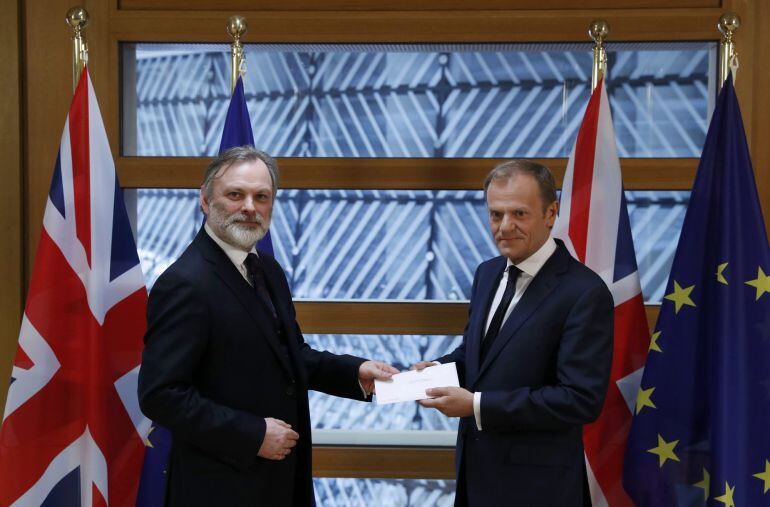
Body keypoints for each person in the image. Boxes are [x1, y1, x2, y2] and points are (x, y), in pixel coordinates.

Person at [138, 146, 398, 507]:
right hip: (219, 489)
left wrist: (354, 372)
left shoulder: (268, 271)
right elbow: (161, 395)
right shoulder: (185, 283)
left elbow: (289, 357)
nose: (249, 206)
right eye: (235, 194)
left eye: (261, 196)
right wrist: (252, 434)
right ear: (204, 200)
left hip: (280, 482)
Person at [413, 160, 613, 507]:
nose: (505, 227)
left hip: (538, 490)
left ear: (551, 213)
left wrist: (476, 405)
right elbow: (480, 357)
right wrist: (439, 370)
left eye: (519, 214)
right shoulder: (487, 274)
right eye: (496, 214)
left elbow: (579, 399)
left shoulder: (585, 292)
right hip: (476, 479)